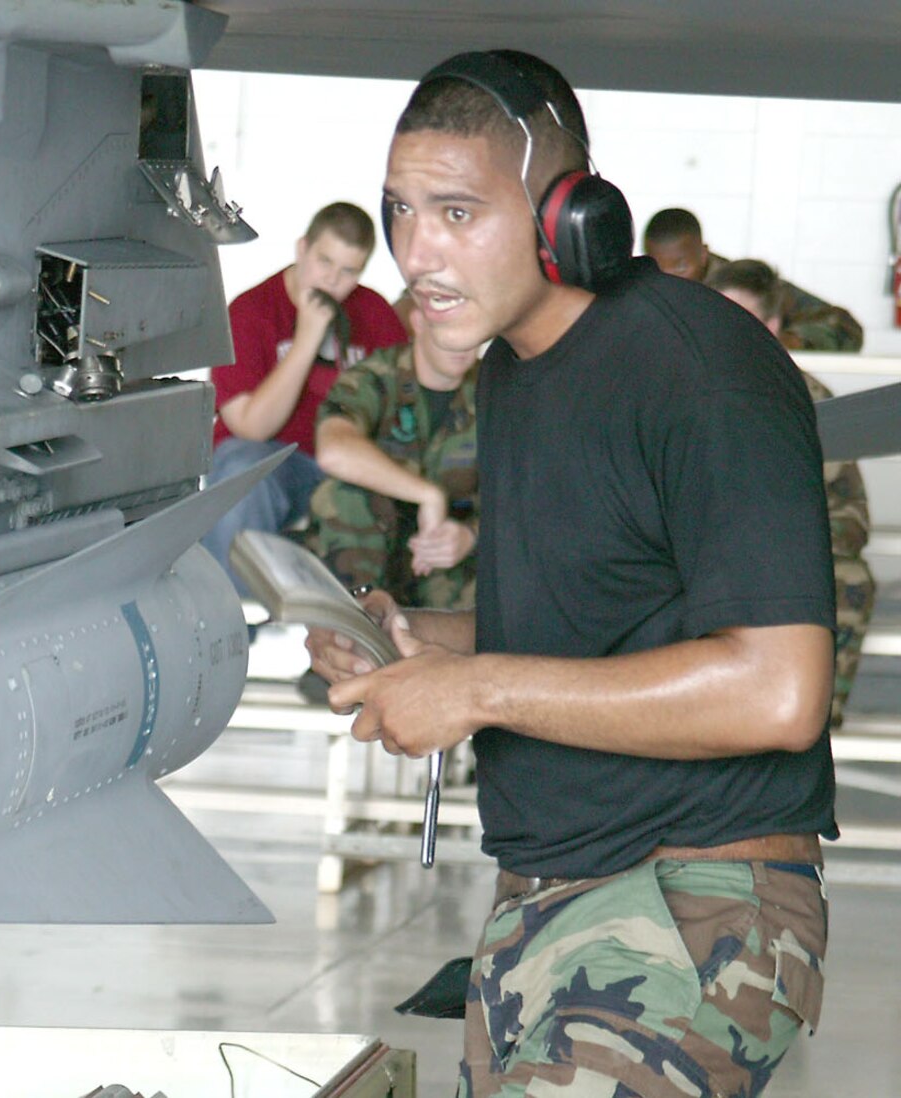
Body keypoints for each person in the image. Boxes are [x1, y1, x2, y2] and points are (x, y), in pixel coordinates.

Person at [310, 50, 835, 1095]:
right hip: (548, 896)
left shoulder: (700, 373)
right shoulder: (516, 368)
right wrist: (413, 643)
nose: (415, 253)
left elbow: (777, 690)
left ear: (567, 218)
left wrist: (475, 690)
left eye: (457, 213)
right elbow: (590, 620)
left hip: (695, 901)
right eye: (400, 210)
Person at [707, 257, 880, 733]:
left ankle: (814, 720)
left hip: (783, 560)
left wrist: (786, 550)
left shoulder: (808, 401)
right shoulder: (669, 393)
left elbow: (850, 516)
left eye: (739, 320)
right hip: (700, 559)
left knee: (850, 578)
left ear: (772, 327)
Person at [205, 202, 408, 589]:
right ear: (302, 248)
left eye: (349, 271)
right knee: (242, 474)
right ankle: (235, 606)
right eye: (324, 261)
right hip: (269, 461)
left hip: (345, 463)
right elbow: (250, 428)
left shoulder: (374, 313)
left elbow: (402, 412)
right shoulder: (250, 313)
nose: (332, 280)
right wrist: (307, 340)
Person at [304, 334, 482, 611]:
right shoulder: (376, 376)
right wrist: (429, 495)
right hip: (369, 545)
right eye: (445, 321)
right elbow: (334, 451)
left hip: (446, 550)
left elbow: (531, 493)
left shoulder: (498, 387)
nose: (459, 340)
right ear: (419, 320)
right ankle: (359, 616)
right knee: (343, 495)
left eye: (467, 327)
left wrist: (472, 535)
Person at [642, 206, 864, 350]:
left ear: (703, 254)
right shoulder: (642, 287)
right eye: (656, 266)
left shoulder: (742, 285)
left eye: (681, 266)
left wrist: (788, 341)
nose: (668, 277)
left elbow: (846, 328)